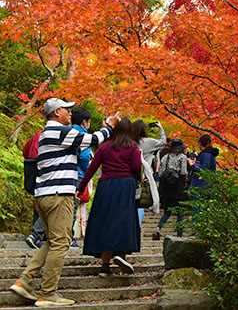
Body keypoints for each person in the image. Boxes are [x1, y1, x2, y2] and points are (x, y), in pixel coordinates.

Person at [9, 98, 118, 307]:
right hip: (59, 195)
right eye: (67, 109)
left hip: (44, 194)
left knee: (52, 241)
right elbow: (93, 140)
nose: (70, 112)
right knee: (61, 242)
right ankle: (48, 293)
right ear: (56, 112)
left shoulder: (48, 134)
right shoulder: (59, 131)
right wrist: (110, 126)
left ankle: (25, 280)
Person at [76, 118, 142, 277]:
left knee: (106, 221)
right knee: (123, 219)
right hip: (126, 185)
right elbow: (136, 167)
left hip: (106, 186)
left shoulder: (104, 147)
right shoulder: (132, 148)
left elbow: (92, 168)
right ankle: (121, 255)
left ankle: (105, 266)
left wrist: (81, 187)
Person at [153, 137, 190, 240]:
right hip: (177, 187)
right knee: (180, 211)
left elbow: (160, 173)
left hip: (165, 187)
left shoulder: (165, 157)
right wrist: (186, 181)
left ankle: (158, 228)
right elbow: (183, 172)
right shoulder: (182, 157)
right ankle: (179, 235)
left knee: (167, 211)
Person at [132, 120, 165, 223]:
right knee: (140, 201)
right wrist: (161, 128)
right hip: (144, 175)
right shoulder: (148, 142)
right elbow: (163, 142)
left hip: (130, 174)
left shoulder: (129, 142)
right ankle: (139, 225)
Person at [70, 109, 92, 247]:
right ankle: (69, 237)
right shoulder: (84, 135)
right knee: (72, 207)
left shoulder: (67, 131)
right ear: (84, 122)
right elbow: (84, 157)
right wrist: (86, 171)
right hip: (78, 175)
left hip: (65, 174)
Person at [23, 130, 45, 250]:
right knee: (44, 201)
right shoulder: (52, 134)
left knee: (38, 199)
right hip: (41, 166)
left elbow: (26, 149)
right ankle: (37, 234)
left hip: (31, 165)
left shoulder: (37, 134)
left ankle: (38, 234)